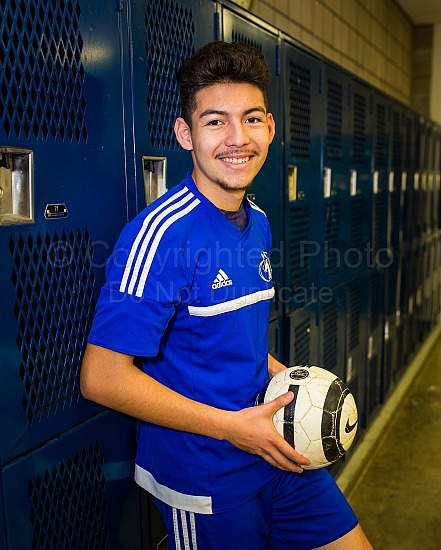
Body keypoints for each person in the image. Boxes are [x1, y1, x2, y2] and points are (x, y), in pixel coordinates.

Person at [80, 40, 372, 549]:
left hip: (274, 448)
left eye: (251, 119)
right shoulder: (161, 235)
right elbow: (101, 378)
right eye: (215, 121)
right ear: (185, 134)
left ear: (271, 127)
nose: (238, 139)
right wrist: (231, 428)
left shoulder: (257, 221)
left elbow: (232, 337)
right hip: (207, 474)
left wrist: (293, 381)